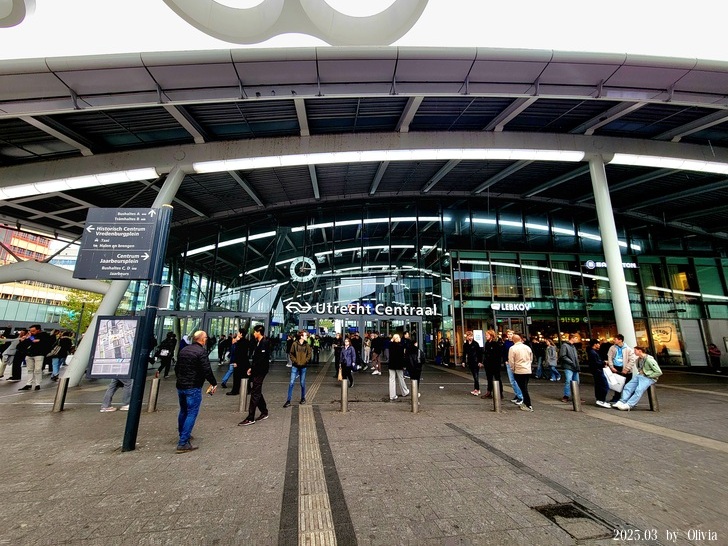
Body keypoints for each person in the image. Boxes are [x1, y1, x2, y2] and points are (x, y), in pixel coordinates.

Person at [174, 330, 218, 453]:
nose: (207, 339)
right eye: (206, 337)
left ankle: (183, 434)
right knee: (192, 413)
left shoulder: (184, 350)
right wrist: (213, 383)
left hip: (181, 386)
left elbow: (177, 367)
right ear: (202, 339)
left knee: (183, 411)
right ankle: (183, 442)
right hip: (193, 386)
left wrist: (180, 379)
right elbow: (206, 369)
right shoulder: (201, 352)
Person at [239, 325, 271, 426]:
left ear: (258, 332)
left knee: (255, 392)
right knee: (256, 391)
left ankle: (250, 418)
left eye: (254, 332)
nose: (253, 333)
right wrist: (252, 368)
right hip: (257, 370)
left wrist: (253, 368)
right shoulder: (259, 342)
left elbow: (262, 359)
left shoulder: (264, 342)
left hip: (261, 371)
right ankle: (264, 412)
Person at [613, 346, 662, 411]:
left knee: (639, 390)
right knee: (628, 386)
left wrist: (649, 375)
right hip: (640, 375)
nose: (634, 352)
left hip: (648, 377)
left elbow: (658, 372)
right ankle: (622, 401)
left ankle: (629, 404)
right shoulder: (638, 359)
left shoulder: (649, 360)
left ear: (640, 351)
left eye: (635, 350)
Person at [18, 324, 53, 391]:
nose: (32, 332)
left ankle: (37, 384)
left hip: (39, 354)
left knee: (38, 369)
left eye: (33, 331)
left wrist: (33, 339)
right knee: (30, 370)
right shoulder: (31, 336)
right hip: (29, 354)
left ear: (38, 330)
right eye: (31, 331)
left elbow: (45, 343)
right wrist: (25, 339)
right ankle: (29, 384)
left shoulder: (44, 335)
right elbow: (24, 344)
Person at [607, 334, 636, 404]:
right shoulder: (612, 348)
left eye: (615, 339)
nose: (614, 340)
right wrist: (611, 367)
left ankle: (629, 399)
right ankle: (616, 398)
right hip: (616, 367)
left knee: (628, 385)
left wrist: (627, 369)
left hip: (625, 369)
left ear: (620, 340)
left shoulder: (628, 349)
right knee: (617, 384)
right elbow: (609, 357)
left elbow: (632, 360)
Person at [285, 330, 312, 407]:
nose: (306, 337)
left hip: (303, 366)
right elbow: (291, 354)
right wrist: (295, 361)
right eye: (305, 335)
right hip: (295, 366)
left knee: (302, 383)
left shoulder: (307, 345)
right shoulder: (294, 344)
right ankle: (288, 400)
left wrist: (305, 361)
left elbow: (309, 354)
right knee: (291, 383)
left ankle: (303, 398)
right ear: (301, 336)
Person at [508, 334, 534, 412]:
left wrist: (513, 369)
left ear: (513, 340)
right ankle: (526, 403)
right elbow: (531, 358)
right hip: (527, 369)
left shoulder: (512, 348)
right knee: (524, 387)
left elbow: (511, 361)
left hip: (519, 370)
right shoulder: (527, 347)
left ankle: (528, 404)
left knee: (523, 388)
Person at [587, 339, 611, 408]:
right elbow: (595, 363)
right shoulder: (593, 353)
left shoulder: (593, 352)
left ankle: (600, 400)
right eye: (598, 344)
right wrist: (604, 363)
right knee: (604, 385)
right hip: (598, 371)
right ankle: (601, 400)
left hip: (597, 371)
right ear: (595, 344)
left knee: (599, 385)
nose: (599, 345)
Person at [227, 329, 250, 396]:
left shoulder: (240, 343)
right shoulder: (246, 341)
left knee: (237, 377)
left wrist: (235, 362)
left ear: (241, 334)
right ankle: (249, 389)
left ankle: (235, 390)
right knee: (245, 376)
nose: (237, 333)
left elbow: (238, 353)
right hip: (245, 362)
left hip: (239, 363)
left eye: (238, 332)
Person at [558, 334, 581, 403]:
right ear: (572, 338)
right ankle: (566, 396)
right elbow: (563, 356)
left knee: (576, 381)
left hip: (573, 366)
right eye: (576, 338)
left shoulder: (572, 346)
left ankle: (575, 396)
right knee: (569, 380)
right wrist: (571, 362)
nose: (577, 339)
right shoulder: (565, 346)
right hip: (569, 366)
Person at [502, 330, 523, 405]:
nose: (509, 335)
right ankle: (517, 395)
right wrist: (505, 360)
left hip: (516, 363)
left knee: (517, 380)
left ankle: (520, 397)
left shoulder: (515, 343)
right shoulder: (506, 343)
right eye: (508, 334)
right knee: (512, 381)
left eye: (511, 334)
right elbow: (504, 352)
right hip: (508, 363)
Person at [481, 329, 503, 399]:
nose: (486, 336)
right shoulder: (487, 343)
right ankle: (489, 391)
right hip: (488, 364)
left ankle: (500, 393)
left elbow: (498, 354)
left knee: (497, 378)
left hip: (495, 364)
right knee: (489, 378)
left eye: (487, 335)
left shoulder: (496, 344)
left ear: (491, 336)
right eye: (486, 335)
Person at [387, 333, 409, 400]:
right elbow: (402, 356)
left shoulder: (390, 345)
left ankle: (392, 395)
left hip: (391, 364)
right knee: (401, 378)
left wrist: (391, 340)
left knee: (392, 379)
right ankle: (404, 392)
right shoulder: (401, 346)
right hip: (399, 364)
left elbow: (389, 343)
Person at [462, 330, 483, 396]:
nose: (470, 337)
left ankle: (477, 389)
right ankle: (476, 389)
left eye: (471, 336)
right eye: (469, 336)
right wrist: (463, 361)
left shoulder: (475, 344)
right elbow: (464, 353)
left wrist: (480, 361)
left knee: (476, 376)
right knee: (474, 376)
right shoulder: (465, 344)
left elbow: (479, 353)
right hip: (470, 361)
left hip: (475, 361)